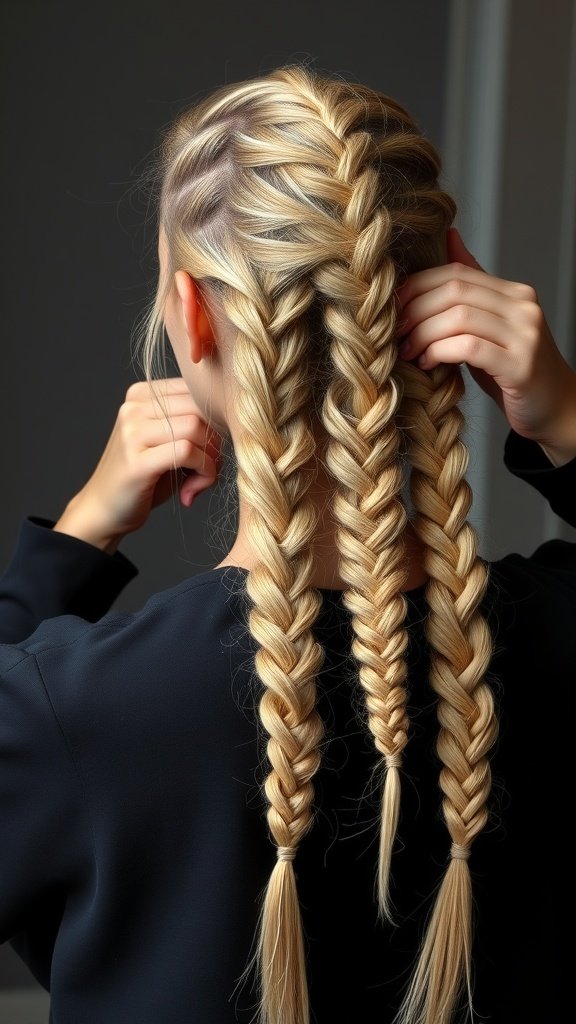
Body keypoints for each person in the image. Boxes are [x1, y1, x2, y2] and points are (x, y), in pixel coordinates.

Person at [0, 64, 574, 1024]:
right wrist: (563, 415)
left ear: (192, 315)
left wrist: (74, 541)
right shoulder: (557, 640)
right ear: (447, 284)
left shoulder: (70, 708)